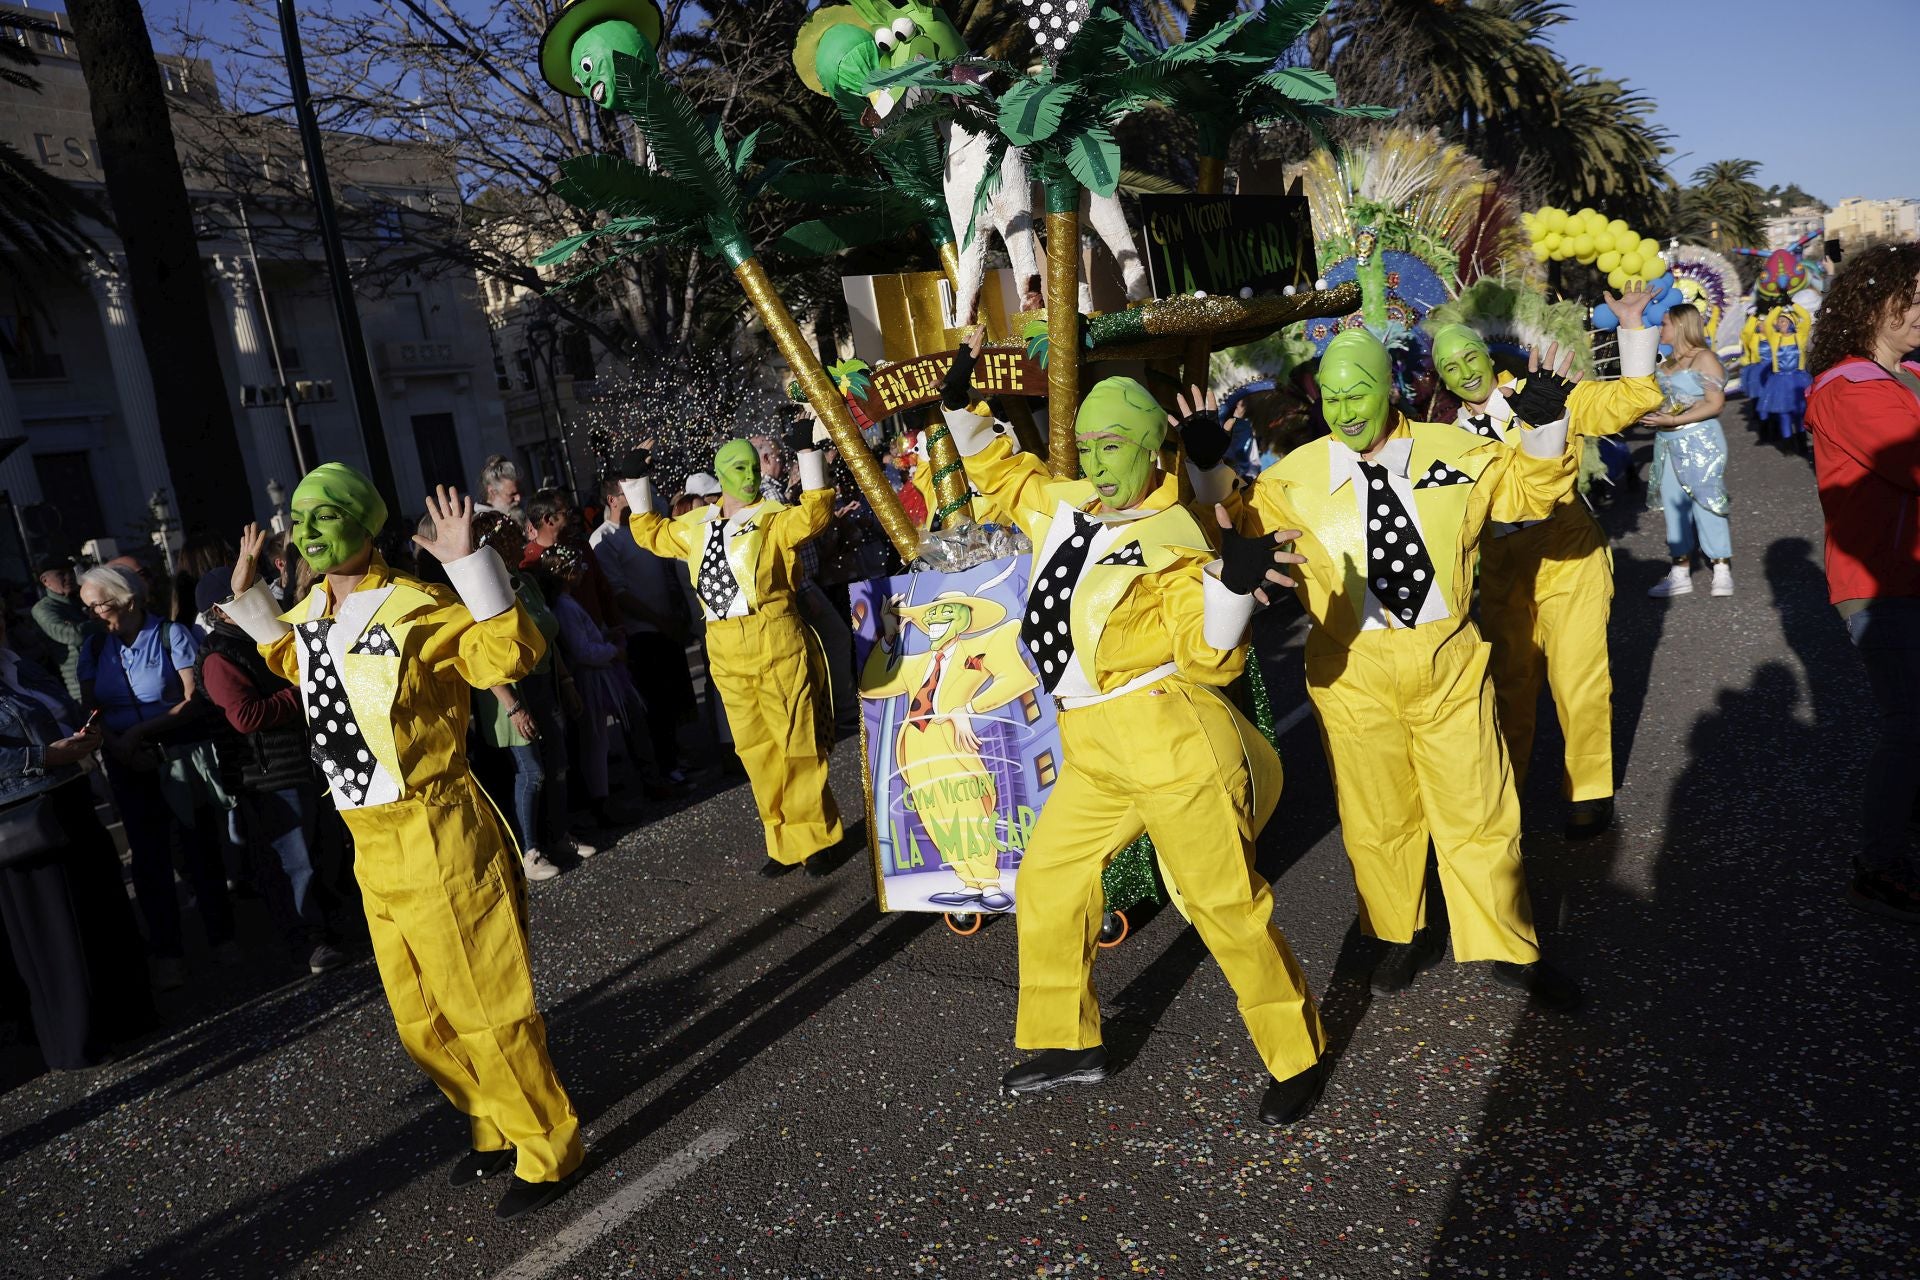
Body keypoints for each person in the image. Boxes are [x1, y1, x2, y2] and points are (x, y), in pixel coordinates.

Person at [939, 352, 1329, 1125]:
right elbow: (1008, 477)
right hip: (1091, 745)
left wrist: (1230, 587)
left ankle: (1298, 1055)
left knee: (1224, 907)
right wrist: (962, 411)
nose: (1093, 459)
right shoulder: (1070, 503)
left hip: (1171, 741)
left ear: (1154, 448)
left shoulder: (1176, 532)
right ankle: (1070, 1042)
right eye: (1085, 445)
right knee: (1049, 884)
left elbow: (1210, 658)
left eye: (1112, 443)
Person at [221, 466, 582, 1219]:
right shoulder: (312, 608)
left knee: (484, 1001)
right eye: (299, 519)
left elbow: (506, 658)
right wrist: (250, 595)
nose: (309, 533)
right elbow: (297, 663)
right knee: (420, 1013)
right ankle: (491, 1122)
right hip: (369, 838)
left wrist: (468, 565)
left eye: (325, 518)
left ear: (365, 524)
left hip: (437, 827)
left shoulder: (417, 605)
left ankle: (546, 1147)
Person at [1217, 328, 1584, 1011]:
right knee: (1375, 817)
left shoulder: (1459, 451)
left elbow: (1531, 495)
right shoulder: (1293, 477)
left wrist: (1543, 426)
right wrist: (1209, 464)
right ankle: (1400, 931)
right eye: (1330, 395)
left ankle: (1508, 943)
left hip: (1445, 659)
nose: (1345, 407)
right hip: (1347, 668)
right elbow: (1237, 526)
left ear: (1388, 387)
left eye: (1358, 391)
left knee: (1479, 808)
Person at [1428, 283, 1661, 837]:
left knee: (1578, 680)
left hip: (1567, 550)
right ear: (1440, 379)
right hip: (1505, 569)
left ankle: (1589, 792)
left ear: (1488, 357)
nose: (1464, 372)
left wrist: (1631, 327)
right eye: (1450, 366)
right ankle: (1507, 791)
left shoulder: (1543, 391)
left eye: (1470, 358)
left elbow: (1631, 400)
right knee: (1510, 685)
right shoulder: (1441, 440)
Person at [619, 433, 844, 876]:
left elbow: (816, 512)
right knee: (755, 749)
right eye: (740, 468)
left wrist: (807, 452)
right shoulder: (696, 524)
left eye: (755, 467)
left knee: (796, 743)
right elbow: (648, 533)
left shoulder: (775, 519)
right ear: (720, 476)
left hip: (775, 637)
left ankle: (815, 839)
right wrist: (634, 476)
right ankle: (782, 842)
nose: (752, 475)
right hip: (724, 647)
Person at [1803, 241, 1920, 924]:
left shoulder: (1900, 376)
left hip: (1906, 573)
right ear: (1872, 305)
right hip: (1882, 582)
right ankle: (1876, 864)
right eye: (1912, 296)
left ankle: (1905, 814)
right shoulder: (1850, 388)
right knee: (1908, 722)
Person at [0, 613, 156, 1070]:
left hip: (69, 794)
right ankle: (78, 1040)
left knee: (100, 910)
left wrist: (81, 735)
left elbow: (62, 711)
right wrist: (44, 754)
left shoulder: (19, 665)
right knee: (55, 929)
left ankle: (125, 1018)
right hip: (21, 815)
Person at [76, 565, 234, 991]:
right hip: (126, 763)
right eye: (85, 605)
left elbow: (192, 700)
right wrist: (118, 744)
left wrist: (141, 733)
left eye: (97, 603)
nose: (90, 612)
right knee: (149, 863)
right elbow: (90, 709)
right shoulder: (92, 649)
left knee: (198, 847)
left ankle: (223, 937)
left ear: (126, 599)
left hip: (174, 753)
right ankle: (169, 953)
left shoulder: (171, 635)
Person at [194, 569, 350, 974]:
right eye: (243, 594)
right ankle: (308, 941)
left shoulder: (262, 638)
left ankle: (330, 928)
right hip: (268, 776)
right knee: (293, 864)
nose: (260, 597)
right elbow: (245, 717)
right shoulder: (219, 655)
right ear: (220, 611)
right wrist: (302, 691)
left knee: (320, 850)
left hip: (301, 763)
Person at [470, 511, 592, 882]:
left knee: (557, 765)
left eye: (512, 536)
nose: (514, 542)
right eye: (504, 538)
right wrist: (513, 706)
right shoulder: (481, 592)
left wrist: (567, 682)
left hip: (544, 684)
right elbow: (481, 657)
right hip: (511, 694)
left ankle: (559, 837)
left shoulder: (525, 581)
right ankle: (530, 850)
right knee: (533, 772)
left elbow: (546, 637)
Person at [591, 476, 696, 781]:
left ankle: (676, 756)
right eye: (627, 494)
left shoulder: (644, 525)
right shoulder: (604, 539)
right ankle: (663, 768)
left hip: (665, 624)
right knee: (654, 702)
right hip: (640, 632)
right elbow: (619, 593)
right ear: (613, 499)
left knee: (674, 698)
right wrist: (657, 620)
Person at [1641, 304, 1733, 599]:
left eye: (1665, 323)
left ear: (1681, 326)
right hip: (1667, 440)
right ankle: (1680, 571)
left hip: (1700, 440)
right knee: (1674, 505)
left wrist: (1674, 419)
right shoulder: (1666, 362)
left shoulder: (1704, 358)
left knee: (1707, 499)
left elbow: (1715, 403)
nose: (1660, 329)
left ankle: (1721, 568)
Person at [30, 556, 98, 702]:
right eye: (61, 574)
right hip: (81, 686)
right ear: (45, 581)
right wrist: (100, 621)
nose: (69, 577)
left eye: (70, 572)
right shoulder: (44, 608)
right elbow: (73, 636)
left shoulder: (83, 597)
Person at [1756, 308, 1813, 443]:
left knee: (1799, 412)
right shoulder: (1775, 338)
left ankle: (1801, 440)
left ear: (1791, 323)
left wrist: (1793, 305)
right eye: (1779, 322)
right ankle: (1787, 442)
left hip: (1798, 378)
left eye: (1784, 321)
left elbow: (1806, 318)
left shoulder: (1800, 336)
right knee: (1783, 413)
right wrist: (1779, 307)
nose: (1781, 324)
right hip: (1780, 380)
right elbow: (1769, 321)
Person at [477, 454, 527, 527]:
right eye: (512, 494)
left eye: (520, 492)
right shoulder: (481, 525)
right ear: (492, 492)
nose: (518, 498)